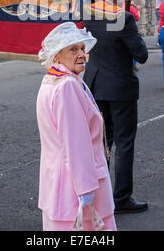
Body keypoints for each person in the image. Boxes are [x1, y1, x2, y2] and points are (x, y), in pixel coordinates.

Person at [36, 22, 116, 231]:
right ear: (57, 56)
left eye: (82, 48)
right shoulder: (68, 85)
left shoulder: (53, 80)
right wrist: (86, 190)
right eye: (73, 49)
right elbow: (76, 144)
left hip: (58, 182)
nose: (81, 54)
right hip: (75, 188)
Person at [83, 0, 148, 214]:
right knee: (123, 143)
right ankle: (121, 197)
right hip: (120, 88)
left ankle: (99, 196)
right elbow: (141, 54)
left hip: (96, 85)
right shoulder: (125, 18)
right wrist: (131, 19)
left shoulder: (89, 14)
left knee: (101, 143)